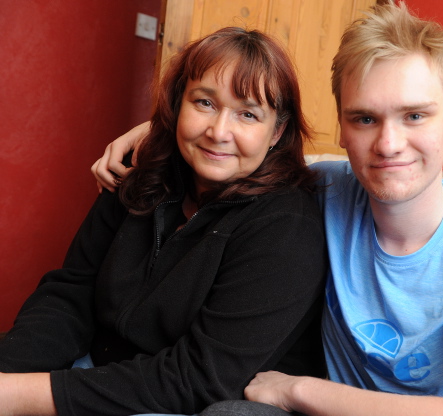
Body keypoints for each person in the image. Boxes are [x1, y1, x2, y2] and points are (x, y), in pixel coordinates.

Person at [93, 2, 443, 415]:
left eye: (415, 115)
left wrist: (298, 391)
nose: (388, 144)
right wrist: (157, 135)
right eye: (365, 119)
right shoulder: (326, 188)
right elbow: (241, 149)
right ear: (341, 125)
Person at [0, 27, 328, 416]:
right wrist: (8, 372)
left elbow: (199, 378)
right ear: (178, 104)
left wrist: (19, 396)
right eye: (204, 103)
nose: (218, 132)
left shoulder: (286, 225)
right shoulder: (139, 174)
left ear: (277, 132)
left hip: (194, 402)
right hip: (100, 375)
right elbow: (70, 295)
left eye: (248, 114)